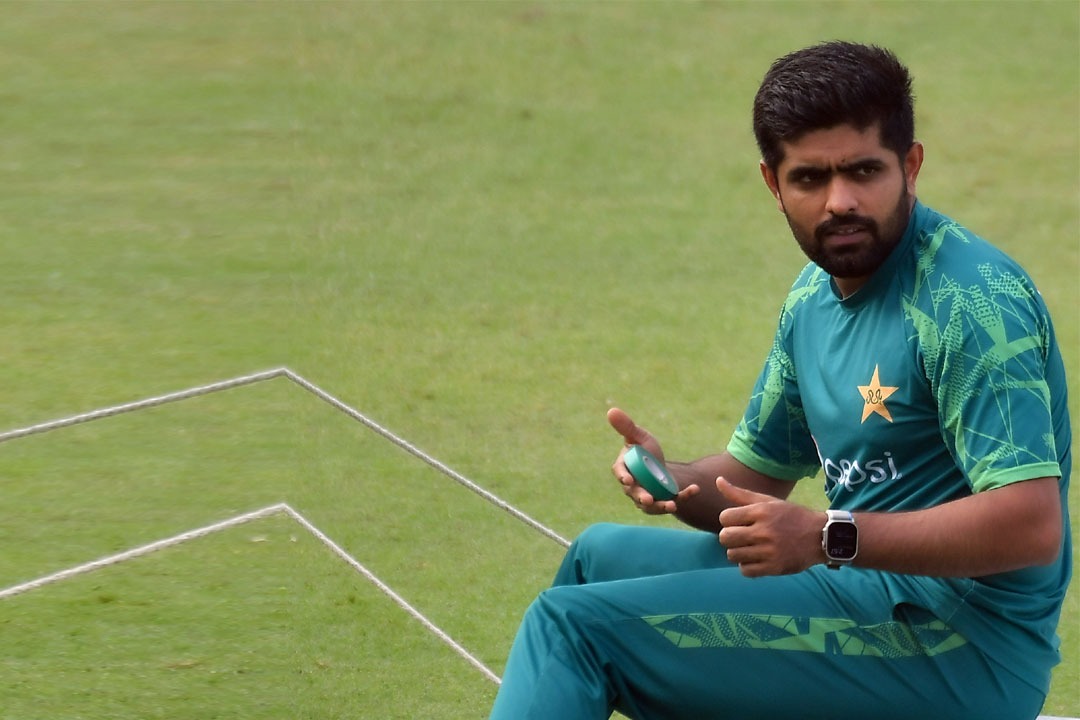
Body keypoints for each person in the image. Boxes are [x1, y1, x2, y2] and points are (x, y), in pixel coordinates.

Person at [488, 41, 1072, 720]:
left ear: (910, 166)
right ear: (773, 184)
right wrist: (673, 479)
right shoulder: (813, 299)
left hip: (958, 647)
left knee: (572, 628)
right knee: (596, 559)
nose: (840, 201)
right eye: (810, 178)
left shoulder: (970, 301)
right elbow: (753, 481)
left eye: (864, 171)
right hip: (859, 587)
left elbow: (1032, 526)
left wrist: (827, 537)